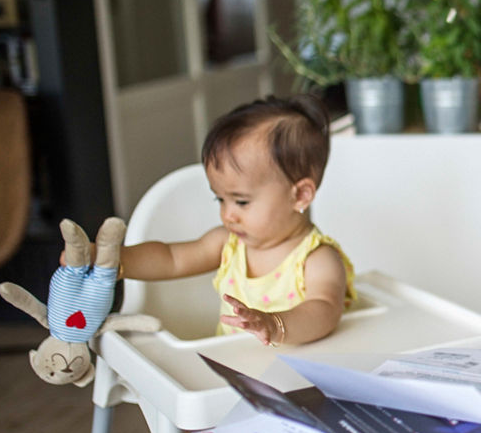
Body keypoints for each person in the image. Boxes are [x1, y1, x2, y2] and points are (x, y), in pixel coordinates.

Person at [116, 95, 356, 346]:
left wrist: (275, 325)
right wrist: (115, 261)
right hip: (232, 374)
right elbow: (171, 259)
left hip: (299, 378)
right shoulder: (227, 243)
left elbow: (325, 310)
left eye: (241, 202)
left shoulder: (316, 259)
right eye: (220, 199)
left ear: (300, 195)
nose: (227, 214)